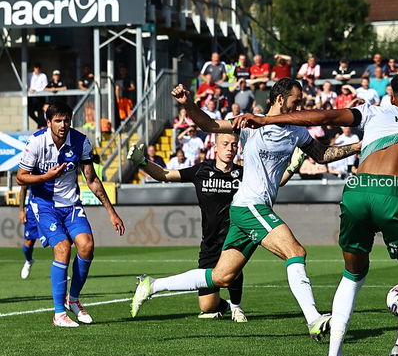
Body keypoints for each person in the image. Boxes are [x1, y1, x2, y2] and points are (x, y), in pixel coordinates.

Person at [231, 71, 398, 356]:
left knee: (352, 276)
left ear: (392, 96)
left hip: (356, 188)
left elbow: (325, 115)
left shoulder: (374, 110)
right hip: (393, 191)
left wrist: (265, 120)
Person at [131, 79, 361, 342]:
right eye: (296, 101)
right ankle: (313, 319)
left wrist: (358, 147)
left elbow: (323, 155)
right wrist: (189, 105)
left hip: (247, 209)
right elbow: (210, 126)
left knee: (222, 276)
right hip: (250, 204)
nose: (300, 106)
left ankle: (151, 286)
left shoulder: (297, 131)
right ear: (278, 99)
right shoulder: (253, 123)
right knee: (295, 252)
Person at [17, 101, 124, 327]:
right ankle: (58, 314)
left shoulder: (80, 141)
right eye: (58, 121)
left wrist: (111, 212)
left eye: (66, 120)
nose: (63, 125)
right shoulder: (36, 142)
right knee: (63, 247)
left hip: (71, 204)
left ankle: (73, 299)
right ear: (49, 123)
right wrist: (45, 177)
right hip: (44, 205)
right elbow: (21, 177)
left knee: (86, 245)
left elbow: (91, 179)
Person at [129, 133, 249, 322]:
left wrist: (292, 167)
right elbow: (164, 174)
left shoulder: (244, 174)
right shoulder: (201, 171)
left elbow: (276, 181)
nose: (229, 148)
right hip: (209, 242)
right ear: (215, 147)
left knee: (234, 268)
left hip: (233, 237)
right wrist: (142, 162)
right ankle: (225, 305)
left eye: (234, 145)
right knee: (208, 308)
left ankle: (237, 307)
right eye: (225, 144)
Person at [18, 185, 48, 279]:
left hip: (50, 209)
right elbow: (23, 188)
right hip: (33, 210)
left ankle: (61, 271)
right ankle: (29, 261)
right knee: (28, 243)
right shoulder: (31, 171)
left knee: (57, 241)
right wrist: (21, 210)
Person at [28, 63, 48, 127]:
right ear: (34, 68)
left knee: (40, 112)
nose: (37, 69)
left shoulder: (43, 76)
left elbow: (45, 86)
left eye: (38, 68)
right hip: (31, 96)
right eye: (36, 68)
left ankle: (41, 125)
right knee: (30, 112)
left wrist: (36, 90)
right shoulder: (29, 75)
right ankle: (40, 123)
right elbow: (26, 85)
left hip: (40, 96)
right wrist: (29, 89)